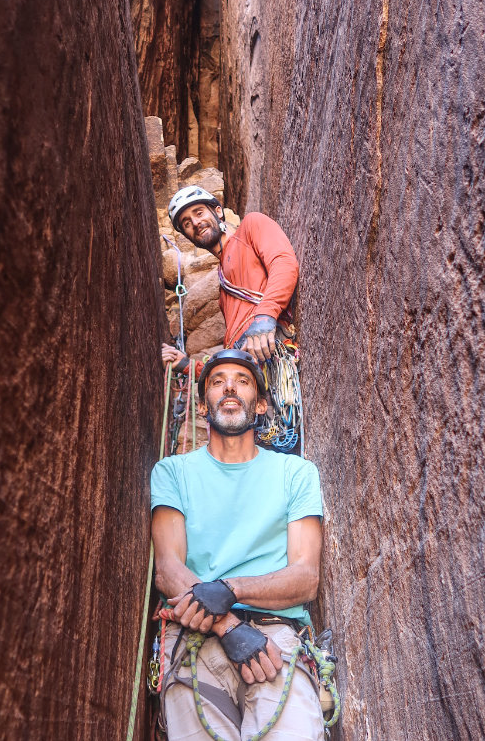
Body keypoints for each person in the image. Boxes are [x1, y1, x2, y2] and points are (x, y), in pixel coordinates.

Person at [151, 349, 324, 740]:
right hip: (196, 636)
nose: (229, 386)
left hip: (276, 638)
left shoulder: (295, 473)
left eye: (242, 381)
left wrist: (231, 590)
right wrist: (228, 627)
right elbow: (168, 569)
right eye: (217, 381)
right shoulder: (173, 473)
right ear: (201, 407)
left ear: (261, 405)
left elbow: (305, 577)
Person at [162, 186, 298, 370]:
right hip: (248, 368)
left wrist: (265, 315)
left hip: (271, 351)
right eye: (186, 223)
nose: (195, 222)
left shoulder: (251, 226)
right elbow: (231, 364)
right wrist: (187, 366)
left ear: (218, 211)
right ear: (189, 237)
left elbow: (283, 262)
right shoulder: (224, 291)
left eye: (199, 213)